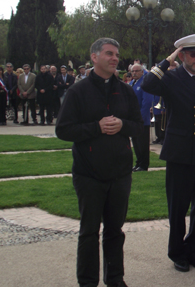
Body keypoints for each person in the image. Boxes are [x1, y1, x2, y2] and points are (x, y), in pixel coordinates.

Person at [56, 38, 143, 287]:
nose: (115, 58)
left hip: (120, 174)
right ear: (94, 57)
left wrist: (122, 125)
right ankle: (87, 282)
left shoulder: (126, 91)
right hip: (88, 174)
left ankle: (115, 279)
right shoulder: (77, 92)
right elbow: (63, 129)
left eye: (116, 54)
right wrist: (97, 127)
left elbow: (138, 126)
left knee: (115, 232)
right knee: (89, 232)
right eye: (109, 54)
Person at [141, 33, 195, 273]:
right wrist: (168, 60)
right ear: (182, 55)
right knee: (178, 206)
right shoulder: (171, 78)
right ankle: (177, 252)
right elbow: (147, 84)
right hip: (180, 152)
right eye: (192, 54)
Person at [130, 63, 153, 172]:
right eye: (132, 71)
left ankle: (143, 165)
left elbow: (147, 102)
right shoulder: (131, 83)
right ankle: (138, 162)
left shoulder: (144, 83)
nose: (134, 73)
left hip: (142, 119)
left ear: (142, 71)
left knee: (142, 143)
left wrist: (141, 117)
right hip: (132, 119)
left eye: (136, 71)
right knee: (136, 143)